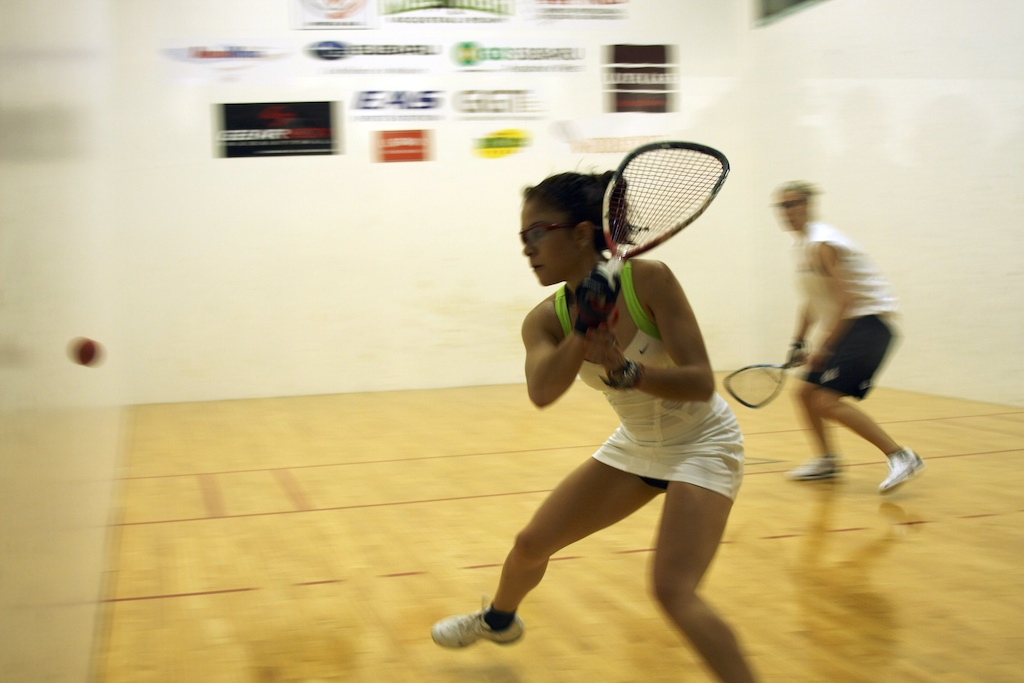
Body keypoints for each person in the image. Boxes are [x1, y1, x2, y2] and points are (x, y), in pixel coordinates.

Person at [431, 171, 759, 683]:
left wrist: (628, 372)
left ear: (582, 233)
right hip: (637, 444)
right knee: (530, 544)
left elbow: (699, 383)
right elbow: (543, 391)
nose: (527, 249)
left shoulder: (650, 280)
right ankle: (499, 620)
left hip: (702, 442)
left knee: (673, 590)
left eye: (536, 233)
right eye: (522, 238)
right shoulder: (546, 318)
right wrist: (584, 329)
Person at [773, 181, 925, 493]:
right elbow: (812, 300)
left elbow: (847, 301)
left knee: (825, 400)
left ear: (809, 206)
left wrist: (824, 348)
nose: (788, 211)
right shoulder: (802, 247)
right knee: (803, 393)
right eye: (782, 206)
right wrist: (799, 342)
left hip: (870, 325)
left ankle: (902, 456)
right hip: (852, 325)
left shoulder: (824, 244)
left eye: (794, 203)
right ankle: (827, 460)